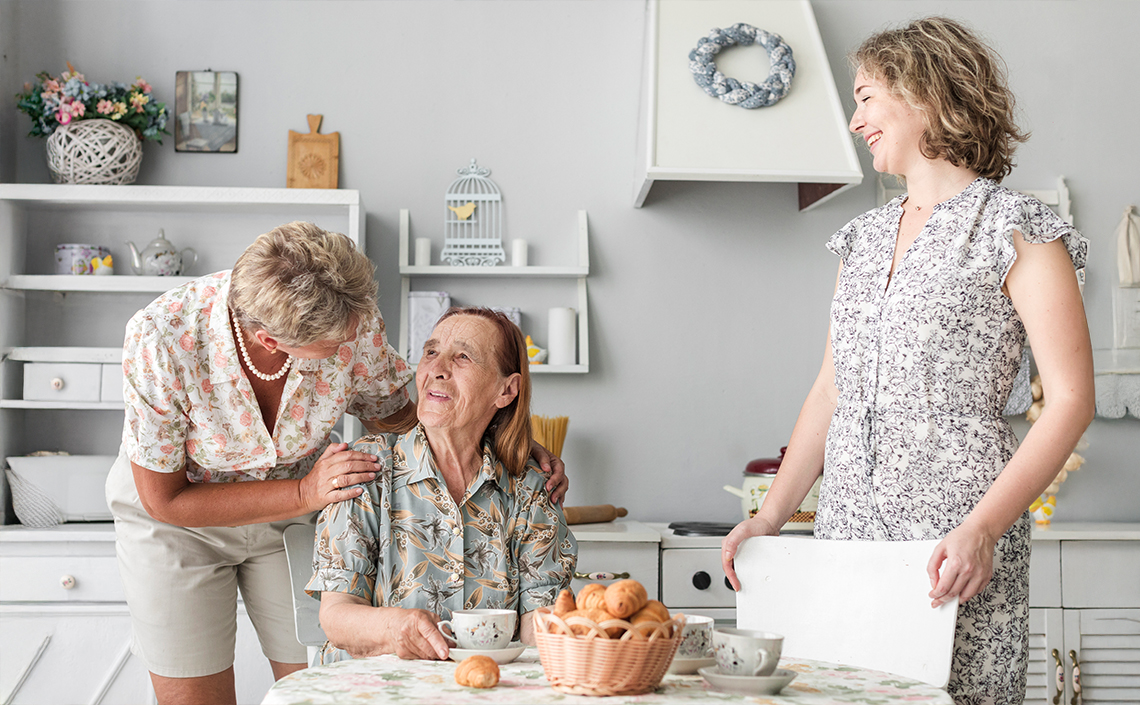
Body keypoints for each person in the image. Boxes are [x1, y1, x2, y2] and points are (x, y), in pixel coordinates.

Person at [720, 17, 1094, 705]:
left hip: (955, 545)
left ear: (922, 92)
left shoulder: (1016, 229)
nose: (856, 119)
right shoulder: (859, 239)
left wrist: (982, 530)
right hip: (848, 538)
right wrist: (771, 516)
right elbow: (831, 388)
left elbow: (1071, 399)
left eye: (866, 97)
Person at [106, 224, 568, 705]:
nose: (356, 338)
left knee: (307, 679)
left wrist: (505, 439)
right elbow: (165, 498)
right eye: (336, 344)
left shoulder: (350, 315)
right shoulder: (161, 337)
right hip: (181, 518)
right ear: (271, 342)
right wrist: (305, 493)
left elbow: (406, 416)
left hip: (294, 512)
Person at [307, 306, 577, 663]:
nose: (436, 368)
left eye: (463, 357)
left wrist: (581, 635)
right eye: (431, 352)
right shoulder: (365, 469)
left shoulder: (529, 489)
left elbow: (538, 622)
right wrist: (394, 629)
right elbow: (337, 616)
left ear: (506, 390)